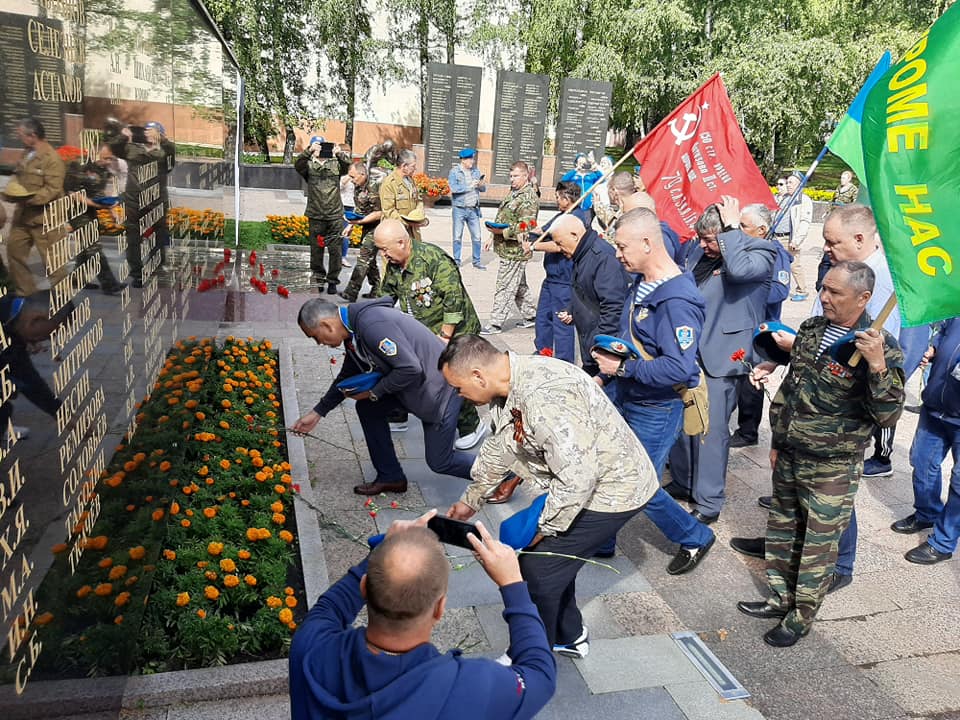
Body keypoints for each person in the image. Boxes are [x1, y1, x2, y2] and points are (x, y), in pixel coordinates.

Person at [442, 335, 660, 656]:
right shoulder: (508, 384)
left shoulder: (544, 399)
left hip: (611, 490)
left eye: (458, 387)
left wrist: (542, 530)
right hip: (588, 482)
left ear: (478, 376)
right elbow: (501, 443)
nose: (458, 395)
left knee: (536, 570)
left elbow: (578, 479)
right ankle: (567, 635)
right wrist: (471, 498)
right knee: (553, 563)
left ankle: (531, 659)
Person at [729, 205, 906, 592]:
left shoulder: (882, 292)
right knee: (793, 500)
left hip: (837, 430)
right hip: (803, 422)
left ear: (859, 240)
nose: (825, 248)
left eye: (832, 242)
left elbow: (870, 367)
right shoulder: (837, 273)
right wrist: (785, 357)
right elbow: (822, 340)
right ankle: (786, 546)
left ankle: (838, 564)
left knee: (833, 500)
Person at [289, 510, 556, 720]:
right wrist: (512, 583)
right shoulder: (471, 686)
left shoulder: (311, 647)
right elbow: (541, 675)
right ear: (440, 608)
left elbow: (331, 607)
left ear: (364, 588)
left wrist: (382, 549)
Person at [590, 208, 716, 572]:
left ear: (647, 243)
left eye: (622, 246)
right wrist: (607, 376)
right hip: (628, 393)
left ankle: (694, 536)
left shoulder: (677, 300)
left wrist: (624, 368)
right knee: (608, 465)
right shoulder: (643, 281)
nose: (617, 254)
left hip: (656, 408)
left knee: (639, 483)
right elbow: (634, 339)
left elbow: (679, 366)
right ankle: (605, 538)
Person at [292, 298, 475, 495]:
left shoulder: (371, 325)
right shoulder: (354, 331)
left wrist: (373, 393)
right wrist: (318, 412)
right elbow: (348, 373)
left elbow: (410, 368)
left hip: (439, 391)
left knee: (440, 462)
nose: (319, 343)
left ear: (326, 325)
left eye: (315, 337)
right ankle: (391, 477)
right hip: (418, 387)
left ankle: (501, 474)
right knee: (368, 408)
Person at [666, 197, 776, 523]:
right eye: (700, 239)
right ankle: (685, 482)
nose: (702, 245)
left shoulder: (761, 252)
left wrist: (729, 232)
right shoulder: (701, 251)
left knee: (711, 432)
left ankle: (709, 500)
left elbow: (739, 270)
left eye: (709, 239)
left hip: (723, 354)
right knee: (684, 422)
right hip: (689, 348)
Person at [374, 219, 486, 450]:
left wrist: (445, 337)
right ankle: (399, 413)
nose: (383, 255)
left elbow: (453, 300)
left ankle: (471, 425)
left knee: (454, 377)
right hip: (423, 330)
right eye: (380, 250)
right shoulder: (395, 265)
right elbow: (385, 296)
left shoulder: (433, 260)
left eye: (385, 249)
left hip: (456, 330)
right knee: (405, 367)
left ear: (402, 242)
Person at [893, 318, 960, 565]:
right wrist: (933, 349)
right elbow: (943, 331)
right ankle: (927, 512)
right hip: (935, 405)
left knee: (959, 483)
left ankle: (943, 542)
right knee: (921, 461)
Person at [729, 203, 792, 448]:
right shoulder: (744, 252)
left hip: (761, 327)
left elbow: (779, 290)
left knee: (751, 380)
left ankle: (748, 430)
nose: (740, 230)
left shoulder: (775, 253)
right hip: (739, 323)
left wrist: (749, 288)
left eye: (744, 226)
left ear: (762, 229)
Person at [549, 214, 628, 377]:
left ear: (574, 235)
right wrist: (572, 309)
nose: (558, 248)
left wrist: (603, 348)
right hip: (590, 343)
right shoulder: (581, 255)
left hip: (602, 350)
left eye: (560, 243)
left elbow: (613, 306)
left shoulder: (602, 257)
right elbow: (583, 289)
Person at [5, 117, 68, 297]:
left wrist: (27, 199)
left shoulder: (52, 158)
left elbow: (53, 189)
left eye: (22, 136)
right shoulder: (27, 153)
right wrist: (11, 190)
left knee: (54, 263)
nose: (20, 139)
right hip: (23, 217)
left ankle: (62, 302)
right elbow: (17, 175)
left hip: (46, 219)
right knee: (14, 252)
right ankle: (26, 294)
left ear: (33, 135)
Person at [480, 162, 539, 335]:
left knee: (505, 286)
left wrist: (503, 231)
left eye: (515, 176)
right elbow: (503, 216)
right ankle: (531, 316)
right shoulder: (514, 192)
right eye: (511, 176)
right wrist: (492, 236)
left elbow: (529, 224)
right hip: (506, 247)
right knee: (519, 286)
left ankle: (495, 322)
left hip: (516, 250)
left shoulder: (528, 197)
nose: (512, 179)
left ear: (525, 176)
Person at [530, 182, 583, 362]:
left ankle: (564, 361)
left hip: (565, 280)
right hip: (551, 278)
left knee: (561, 324)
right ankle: (544, 351)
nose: (556, 201)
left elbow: (560, 245)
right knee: (543, 319)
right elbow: (542, 232)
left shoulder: (577, 218)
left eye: (558, 197)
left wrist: (534, 246)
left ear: (567, 199)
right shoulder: (560, 216)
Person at [63, 148, 126, 295]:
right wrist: (95, 204)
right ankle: (109, 284)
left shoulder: (103, 170)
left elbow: (100, 193)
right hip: (76, 211)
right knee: (94, 248)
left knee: (86, 248)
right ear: (98, 154)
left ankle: (76, 279)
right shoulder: (79, 165)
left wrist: (111, 210)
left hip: (90, 210)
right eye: (107, 158)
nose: (109, 162)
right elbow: (72, 193)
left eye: (111, 159)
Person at [295, 136, 352, 294]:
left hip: (334, 215)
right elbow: (297, 165)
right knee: (316, 251)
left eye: (322, 145)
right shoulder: (308, 165)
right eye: (317, 145)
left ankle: (333, 280)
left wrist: (339, 153)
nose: (321, 149)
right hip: (316, 215)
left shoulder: (335, 164)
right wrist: (309, 151)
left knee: (335, 251)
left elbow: (347, 165)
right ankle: (318, 279)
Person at [339, 161, 385, 302]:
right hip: (367, 224)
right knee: (369, 259)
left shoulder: (375, 186)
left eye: (353, 177)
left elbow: (379, 212)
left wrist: (358, 222)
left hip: (380, 225)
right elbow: (360, 208)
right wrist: (350, 225)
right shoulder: (358, 186)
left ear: (362, 174)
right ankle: (377, 288)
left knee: (364, 257)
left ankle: (351, 292)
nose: (352, 180)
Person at [144, 121, 176, 268]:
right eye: (146, 131)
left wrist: (161, 140)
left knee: (160, 229)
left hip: (158, 196)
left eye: (150, 131)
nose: (146, 133)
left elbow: (169, 166)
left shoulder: (167, 147)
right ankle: (148, 259)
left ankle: (159, 260)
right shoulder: (142, 149)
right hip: (142, 196)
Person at [448, 148, 487, 269]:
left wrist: (480, 185)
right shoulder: (455, 172)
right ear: (464, 160)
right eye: (470, 159)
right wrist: (468, 186)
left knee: (477, 236)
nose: (472, 161)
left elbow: (483, 189)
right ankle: (457, 261)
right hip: (459, 209)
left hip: (473, 209)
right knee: (457, 236)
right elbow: (453, 189)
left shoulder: (476, 171)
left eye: (473, 158)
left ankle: (476, 261)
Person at [782, 171, 813, 302]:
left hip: (790, 239)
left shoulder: (803, 200)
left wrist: (797, 240)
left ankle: (802, 290)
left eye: (791, 183)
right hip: (778, 237)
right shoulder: (783, 198)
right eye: (787, 182)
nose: (788, 185)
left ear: (800, 184)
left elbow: (804, 222)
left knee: (794, 265)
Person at [379, 149, 424, 240]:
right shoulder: (389, 183)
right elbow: (388, 210)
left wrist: (419, 214)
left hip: (412, 231)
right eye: (413, 166)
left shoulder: (410, 180)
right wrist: (407, 222)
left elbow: (418, 200)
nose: (415, 169)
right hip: (395, 232)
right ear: (404, 166)